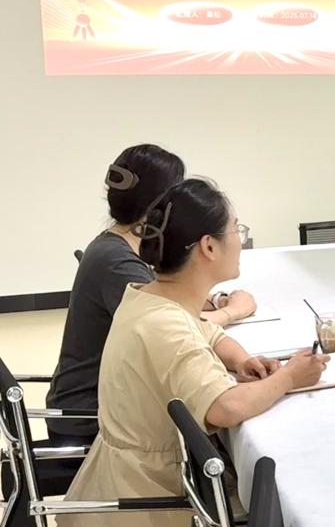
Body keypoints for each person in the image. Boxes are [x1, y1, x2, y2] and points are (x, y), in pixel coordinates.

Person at [52, 178, 328, 527]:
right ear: (209, 246)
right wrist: (289, 377)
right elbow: (224, 407)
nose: (241, 240)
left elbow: (206, 331)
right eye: (236, 229)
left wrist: (241, 360)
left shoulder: (149, 296)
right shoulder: (166, 325)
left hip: (123, 490)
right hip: (146, 519)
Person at [46, 145, 257, 447]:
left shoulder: (119, 246)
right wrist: (233, 311)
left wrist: (215, 299)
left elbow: (174, 296)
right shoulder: (118, 263)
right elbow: (178, 323)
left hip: (101, 402)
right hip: (91, 417)